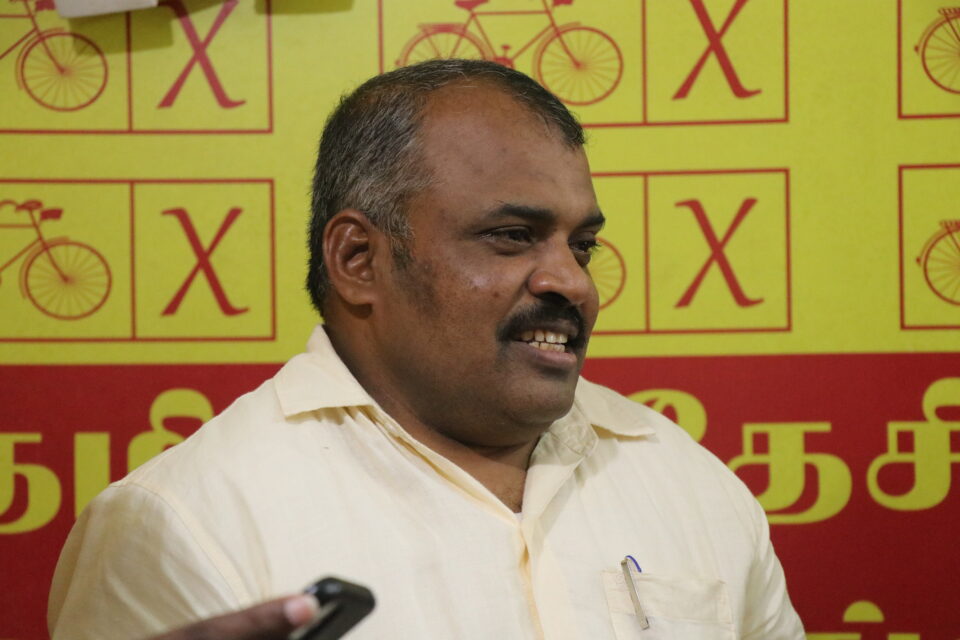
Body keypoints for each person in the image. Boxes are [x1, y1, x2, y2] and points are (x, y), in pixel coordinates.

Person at [49, 59, 805, 639]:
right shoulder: (181, 524)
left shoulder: (688, 480)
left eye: (582, 245)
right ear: (358, 260)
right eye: (512, 236)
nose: (572, 281)